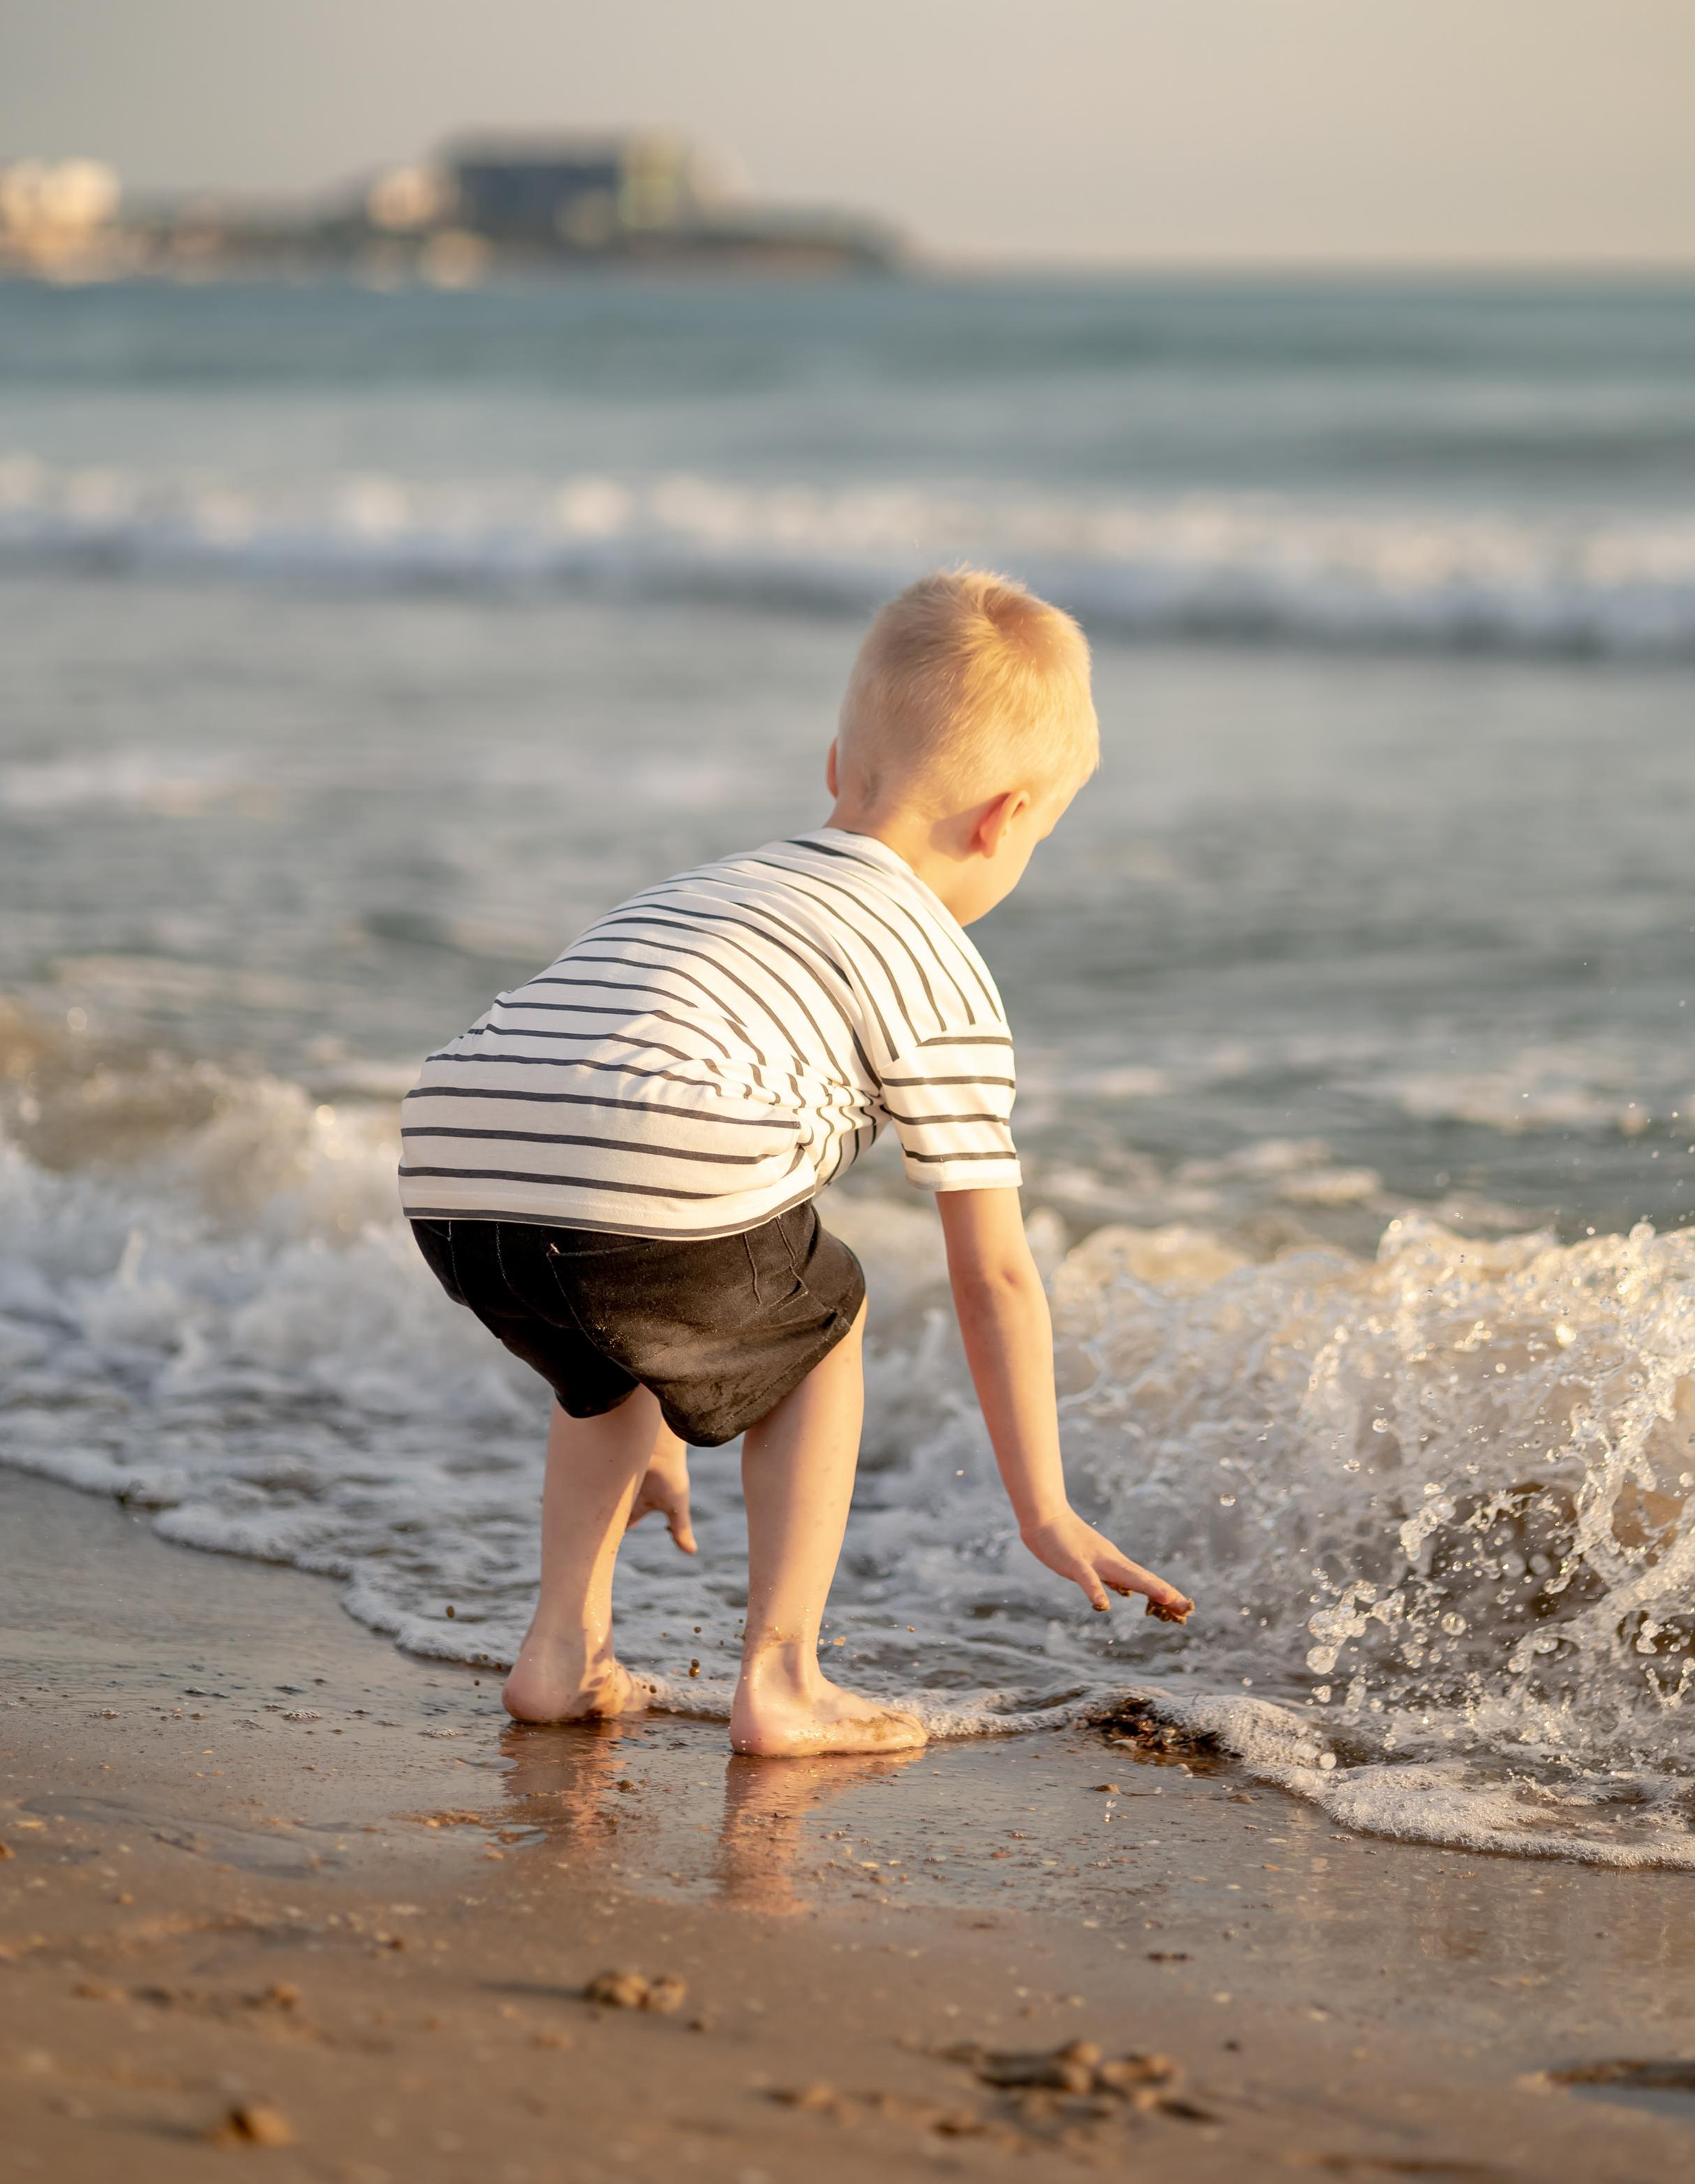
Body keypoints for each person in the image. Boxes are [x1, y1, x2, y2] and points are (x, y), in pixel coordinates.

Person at [400, 568, 1191, 1755]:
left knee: (605, 1353)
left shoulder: (704, 890)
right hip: (637, 1181)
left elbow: (608, 1127)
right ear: (1006, 821)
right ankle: (782, 1679)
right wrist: (1044, 1506)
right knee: (824, 1315)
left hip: (456, 1167)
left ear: (836, 765)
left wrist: (662, 1387)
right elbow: (995, 1278)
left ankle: (559, 1649)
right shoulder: (934, 963)